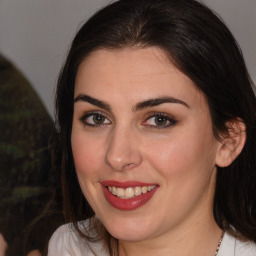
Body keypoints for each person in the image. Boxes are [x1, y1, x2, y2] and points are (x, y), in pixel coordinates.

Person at [47, 0, 256, 255]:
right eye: (97, 118)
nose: (118, 156)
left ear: (228, 142)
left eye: (159, 120)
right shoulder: (67, 247)